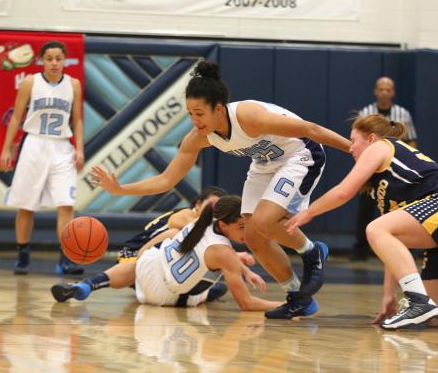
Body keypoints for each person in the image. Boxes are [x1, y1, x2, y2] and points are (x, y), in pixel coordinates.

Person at [89, 61, 351, 319]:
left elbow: (310, 129)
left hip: (299, 154)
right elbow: (167, 179)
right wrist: (121, 189)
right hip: (264, 163)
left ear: (218, 108)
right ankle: (298, 298)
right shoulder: (198, 137)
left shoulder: (248, 116)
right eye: (189, 113)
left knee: (264, 220)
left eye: (199, 113)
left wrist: (355, 150)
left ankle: (311, 251)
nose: (194, 120)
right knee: (254, 238)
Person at [285, 114, 438, 329]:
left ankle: (417, 300)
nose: (350, 148)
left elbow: (343, 192)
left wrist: (309, 212)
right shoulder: (382, 189)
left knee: (375, 229)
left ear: (370, 138)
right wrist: (388, 295)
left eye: (353, 140)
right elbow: (393, 245)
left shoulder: (380, 147)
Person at [51, 196, 282, 311]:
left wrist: (144, 255)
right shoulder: (195, 224)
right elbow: (246, 303)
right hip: (170, 298)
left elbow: (167, 237)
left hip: (148, 266)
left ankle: (88, 285)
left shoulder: (199, 224)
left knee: (161, 253)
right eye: (242, 226)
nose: (247, 231)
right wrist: (284, 304)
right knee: (216, 288)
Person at [0, 41, 85, 275]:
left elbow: (76, 120)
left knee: (66, 204)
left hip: (61, 147)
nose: (54, 63)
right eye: (49, 58)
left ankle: (66, 258)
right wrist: (7, 149)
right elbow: (16, 117)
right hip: (34, 144)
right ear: (42, 60)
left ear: (65, 60)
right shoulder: (30, 82)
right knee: (27, 205)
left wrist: (79, 149)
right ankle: (23, 253)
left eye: (59, 58)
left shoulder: (74, 85)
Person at [351, 77, 418, 261]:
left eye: (388, 89)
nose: (384, 92)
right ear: (375, 91)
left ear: (393, 92)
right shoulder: (366, 112)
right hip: (372, 167)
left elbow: (411, 140)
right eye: (381, 89)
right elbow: (358, 141)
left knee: (399, 209)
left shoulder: (402, 113)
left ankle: (403, 248)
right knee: (365, 208)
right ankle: (360, 249)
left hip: (395, 169)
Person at [116, 186, 227, 263]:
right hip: (132, 253)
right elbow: (174, 222)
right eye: (211, 205)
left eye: (218, 207)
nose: (213, 210)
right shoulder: (187, 214)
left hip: (154, 261)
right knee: (174, 234)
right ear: (198, 204)